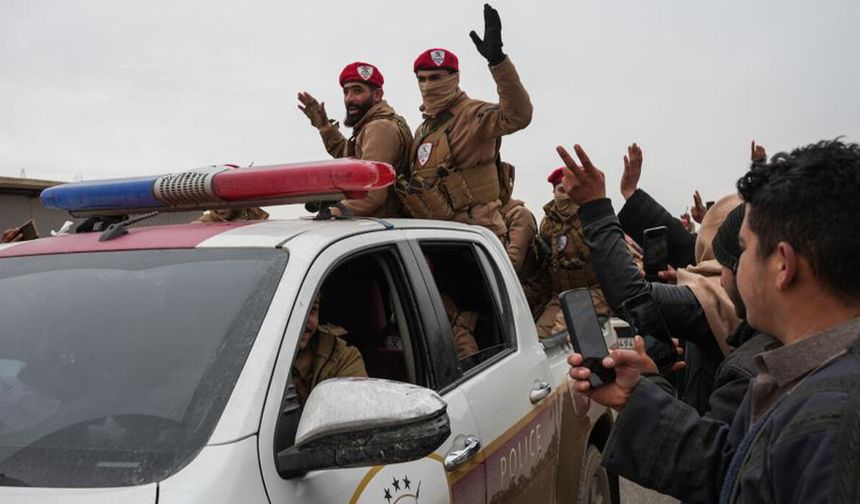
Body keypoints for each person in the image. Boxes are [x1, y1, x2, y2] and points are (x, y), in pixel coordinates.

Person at [567, 139, 860, 503]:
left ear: (782, 265)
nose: (731, 268)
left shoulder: (834, 427)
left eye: (744, 247)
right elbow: (734, 473)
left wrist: (597, 209)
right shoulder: (804, 378)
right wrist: (640, 397)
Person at [396, 3, 532, 239]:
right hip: (437, 236)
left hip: (476, 238)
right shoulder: (422, 131)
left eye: (436, 78)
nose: (428, 85)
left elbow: (518, 115)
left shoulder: (474, 115)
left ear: (455, 77)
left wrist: (498, 62)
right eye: (423, 79)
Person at [298, 62, 412, 218]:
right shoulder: (373, 125)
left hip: (380, 231)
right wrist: (324, 127)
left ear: (377, 95)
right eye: (346, 92)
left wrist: (331, 213)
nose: (349, 99)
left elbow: (371, 194)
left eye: (357, 91)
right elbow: (351, 159)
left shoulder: (380, 128)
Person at [292, 295, 367, 407]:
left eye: (312, 309)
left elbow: (354, 411)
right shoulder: (259, 355)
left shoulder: (343, 359)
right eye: (293, 310)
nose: (304, 320)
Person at [499, 164, 551, 317]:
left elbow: (512, 264)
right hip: (506, 290)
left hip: (523, 293)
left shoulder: (519, 215)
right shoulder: (490, 216)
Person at [194, 207, 269, 223]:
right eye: (215, 207)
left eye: (226, 206)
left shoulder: (251, 214)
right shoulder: (206, 221)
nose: (220, 211)